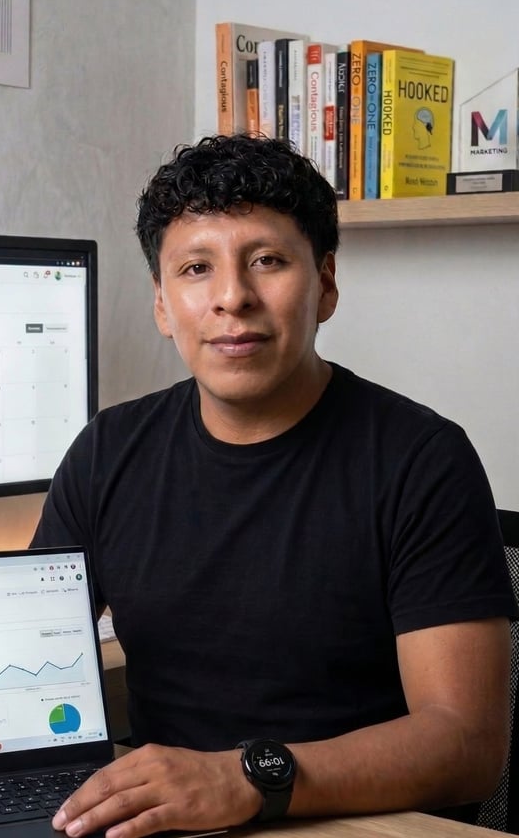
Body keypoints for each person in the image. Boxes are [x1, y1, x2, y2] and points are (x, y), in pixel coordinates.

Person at [30, 134, 517, 838]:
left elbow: (466, 745)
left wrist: (244, 777)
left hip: (356, 825)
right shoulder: (107, 452)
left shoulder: (422, 460)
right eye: (196, 268)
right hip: (168, 825)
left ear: (325, 284)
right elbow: (35, 660)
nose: (232, 297)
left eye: (267, 260)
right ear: (163, 305)